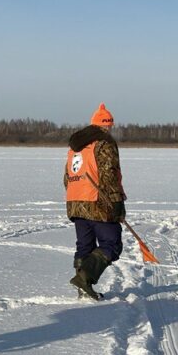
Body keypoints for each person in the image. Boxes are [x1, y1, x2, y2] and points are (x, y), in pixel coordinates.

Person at [64, 103, 127, 301]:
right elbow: (109, 174)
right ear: (106, 125)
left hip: (75, 200)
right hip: (98, 200)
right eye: (109, 125)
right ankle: (84, 279)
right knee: (112, 243)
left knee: (85, 246)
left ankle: (83, 288)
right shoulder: (104, 142)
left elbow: (66, 177)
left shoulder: (76, 146)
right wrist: (117, 203)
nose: (110, 129)